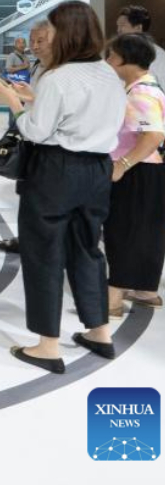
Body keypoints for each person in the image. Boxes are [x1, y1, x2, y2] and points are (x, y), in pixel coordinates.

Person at [0, 1, 125, 374]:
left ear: (67, 34)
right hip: (98, 168)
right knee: (88, 249)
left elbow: (35, 130)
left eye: (48, 32)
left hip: (55, 170)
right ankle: (99, 331)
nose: (42, 40)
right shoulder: (106, 73)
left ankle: (48, 345)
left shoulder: (56, 77)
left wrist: (14, 103)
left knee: (43, 251)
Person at [103, 34, 165, 316]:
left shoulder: (141, 93)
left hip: (137, 171)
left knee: (123, 231)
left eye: (112, 56)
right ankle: (145, 290)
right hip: (147, 170)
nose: (108, 62)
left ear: (127, 59)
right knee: (145, 231)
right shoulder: (144, 87)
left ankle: (113, 299)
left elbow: (153, 135)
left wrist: (123, 164)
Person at [0, 19, 55, 255]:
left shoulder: (60, 73)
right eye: (31, 41)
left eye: (41, 41)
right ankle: (27, 238)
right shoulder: (39, 67)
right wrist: (28, 97)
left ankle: (41, 243)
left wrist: (14, 104)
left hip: (49, 148)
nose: (35, 46)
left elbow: (48, 117)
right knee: (28, 195)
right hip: (32, 142)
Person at [114, 5, 165, 88]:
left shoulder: (159, 55)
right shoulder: (118, 53)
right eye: (118, 25)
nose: (118, 30)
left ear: (138, 27)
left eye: (122, 25)